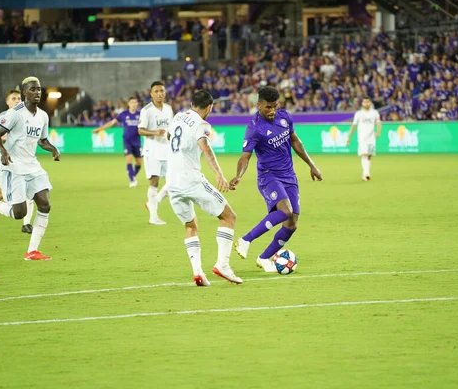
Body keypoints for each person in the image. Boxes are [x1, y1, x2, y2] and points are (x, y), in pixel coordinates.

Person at [229, 86, 323, 272]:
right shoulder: (254, 128)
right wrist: (239, 176)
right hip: (268, 176)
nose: (272, 111)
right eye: (267, 108)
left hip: (289, 175)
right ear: (258, 105)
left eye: (274, 106)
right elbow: (245, 157)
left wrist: (311, 165)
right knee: (285, 211)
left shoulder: (285, 117)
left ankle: (264, 258)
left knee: (292, 223)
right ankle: (245, 240)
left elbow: (295, 141)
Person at [0, 77, 61, 260]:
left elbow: (42, 140)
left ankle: (32, 251)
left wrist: (53, 149)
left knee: (45, 204)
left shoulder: (43, 116)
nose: (37, 92)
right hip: (13, 167)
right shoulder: (15, 114)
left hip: (32, 165)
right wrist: (4, 152)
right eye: (33, 89)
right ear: (24, 93)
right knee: (19, 213)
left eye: (39, 89)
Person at [167, 90, 242, 286]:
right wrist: (218, 173)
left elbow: (169, 137)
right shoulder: (202, 124)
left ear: (192, 103)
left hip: (172, 182)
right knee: (229, 217)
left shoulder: (177, 116)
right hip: (190, 179)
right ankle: (222, 265)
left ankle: (198, 273)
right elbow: (205, 147)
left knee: (190, 226)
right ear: (209, 107)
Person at [0, 89, 36, 233]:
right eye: (13, 98)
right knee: (1, 195)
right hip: (5, 161)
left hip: (23, 160)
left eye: (19, 98)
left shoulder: (27, 116)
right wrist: (6, 138)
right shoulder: (2, 117)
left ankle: (26, 224)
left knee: (29, 191)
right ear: (7, 102)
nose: (17, 101)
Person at [138, 81, 173, 225]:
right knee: (154, 181)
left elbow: (170, 129)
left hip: (167, 150)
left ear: (165, 93)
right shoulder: (146, 110)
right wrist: (155, 132)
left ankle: (154, 201)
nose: (159, 94)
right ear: (151, 94)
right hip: (152, 150)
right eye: (156, 91)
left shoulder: (169, 109)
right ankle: (153, 216)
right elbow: (140, 130)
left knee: (173, 180)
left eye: (161, 91)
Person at [93, 97, 143, 188]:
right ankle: (132, 180)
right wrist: (99, 129)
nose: (134, 104)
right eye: (132, 102)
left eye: (135, 102)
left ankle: (132, 174)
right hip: (127, 141)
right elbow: (111, 123)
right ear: (128, 104)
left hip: (137, 141)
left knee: (139, 163)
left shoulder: (141, 115)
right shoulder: (123, 114)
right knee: (129, 160)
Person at [346, 97, 382, 181]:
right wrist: (349, 137)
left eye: (368, 102)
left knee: (369, 155)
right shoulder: (359, 114)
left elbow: (378, 122)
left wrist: (378, 132)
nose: (366, 103)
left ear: (370, 103)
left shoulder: (375, 113)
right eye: (365, 102)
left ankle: (365, 173)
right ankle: (366, 173)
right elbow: (354, 126)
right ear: (362, 103)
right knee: (364, 154)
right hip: (362, 137)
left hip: (371, 138)